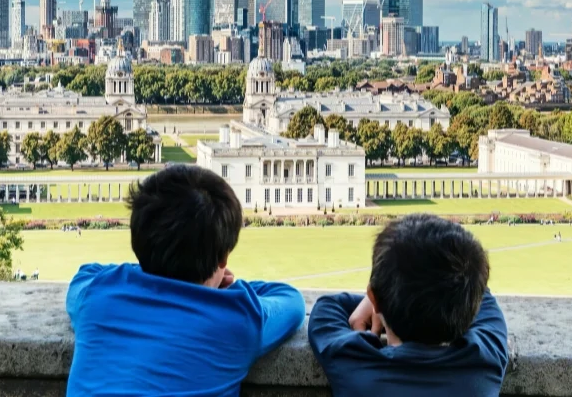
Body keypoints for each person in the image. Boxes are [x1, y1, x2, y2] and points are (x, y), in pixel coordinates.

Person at [65, 165, 305, 396]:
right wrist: (228, 290)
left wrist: (146, 267)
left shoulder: (98, 296)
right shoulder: (235, 317)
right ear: (223, 258)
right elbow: (291, 302)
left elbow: (85, 275)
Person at [308, 214, 508, 397]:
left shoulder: (355, 365)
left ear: (374, 298)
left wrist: (382, 298)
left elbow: (326, 308)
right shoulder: (484, 362)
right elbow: (481, 294)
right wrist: (382, 297)